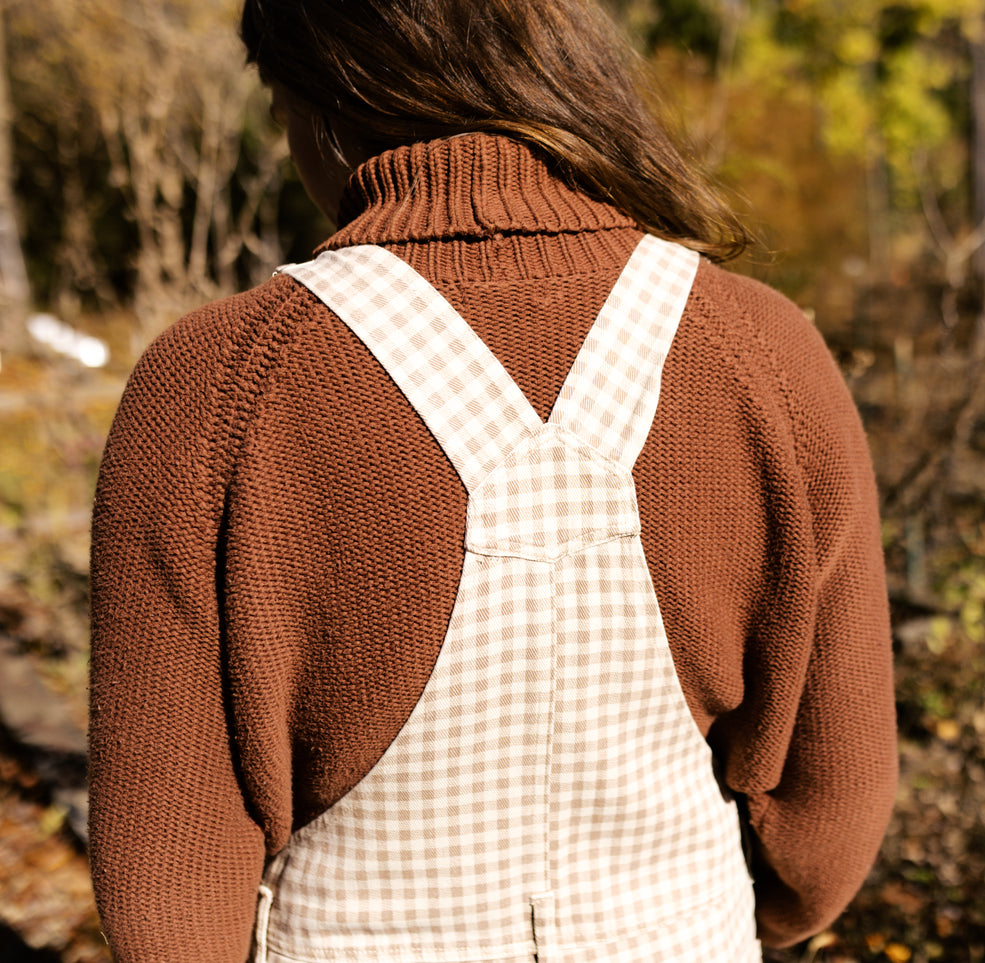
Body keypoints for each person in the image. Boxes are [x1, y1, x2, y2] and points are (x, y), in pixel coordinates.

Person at [87, 2, 897, 961]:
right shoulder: (765, 351)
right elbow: (835, 800)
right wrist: (741, 918)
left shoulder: (219, 379)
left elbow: (162, 875)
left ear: (331, 99)